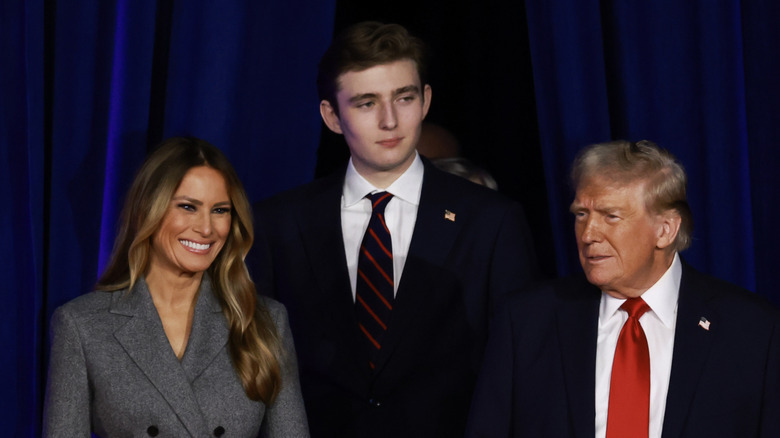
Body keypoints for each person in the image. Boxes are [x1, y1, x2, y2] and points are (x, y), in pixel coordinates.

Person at [248, 22, 537, 437]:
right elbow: (259, 364)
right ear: (332, 116)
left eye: (404, 98)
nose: (389, 121)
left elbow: (518, 368)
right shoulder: (278, 222)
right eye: (366, 103)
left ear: (425, 101)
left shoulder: (491, 221)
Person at [466, 140, 780, 437]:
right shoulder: (525, 322)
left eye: (610, 216)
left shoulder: (753, 332)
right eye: (581, 214)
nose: (588, 234)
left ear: (665, 229)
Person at [43, 137, 309, 437]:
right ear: (147, 210)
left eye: (220, 210)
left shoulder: (264, 321)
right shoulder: (82, 325)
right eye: (188, 207)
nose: (206, 228)